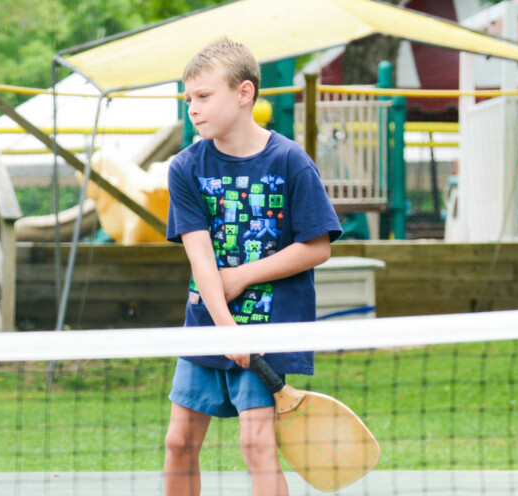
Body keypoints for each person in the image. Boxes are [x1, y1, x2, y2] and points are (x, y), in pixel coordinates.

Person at [162, 39, 341, 496]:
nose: (193, 110)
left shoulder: (290, 161)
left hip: (272, 326)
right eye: (188, 100)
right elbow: (201, 258)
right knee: (179, 441)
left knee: (256, 443)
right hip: (208, 323)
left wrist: (242, 276)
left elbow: (316, 247)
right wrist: (226, 329)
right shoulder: (184, 168)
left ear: (244, 94)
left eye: (204, 96)